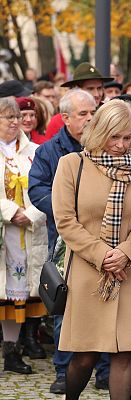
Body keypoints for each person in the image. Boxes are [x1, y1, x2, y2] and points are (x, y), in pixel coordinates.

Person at [51, 99, 131, 399]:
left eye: (127, 137)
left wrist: (127, 251)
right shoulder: (72, 165)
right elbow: (65, 221)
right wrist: (102, 255)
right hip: (87, 273)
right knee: (85, 356)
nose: (122, 145)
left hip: (129, 272)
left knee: (124, 354)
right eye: (115, 137)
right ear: (99, 131)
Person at [28, 89, 112, 394]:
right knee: (68, 307)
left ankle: (104, 370)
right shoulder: (50, 151)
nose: (90, 118)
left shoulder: (107, 147)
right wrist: (68, 210)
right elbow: (36, 189)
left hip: (104, 240)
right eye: (83, 114)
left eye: (93, 112)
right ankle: (64, 370)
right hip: (65, 242)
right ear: (65, 118)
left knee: (105, 304)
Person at [0, 97, 48, 374]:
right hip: (4, 230)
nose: (16, 122)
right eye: (9, 117)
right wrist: (9, 211)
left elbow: (45, 185)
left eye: (18, 116)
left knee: (15, 298)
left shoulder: (34, 151)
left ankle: (12, 352)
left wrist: (30, 214)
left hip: (27, 233)